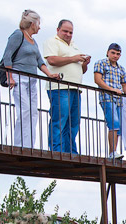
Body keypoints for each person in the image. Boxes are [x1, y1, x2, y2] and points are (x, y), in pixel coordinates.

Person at [1, 10, 61, 149]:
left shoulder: (33, 41)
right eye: (39, 24)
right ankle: (19, 144)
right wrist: (10, 77)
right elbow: (7, 56)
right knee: (24, 111)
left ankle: (29, 145)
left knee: (33, 112)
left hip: (31, 80)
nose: (40, 27)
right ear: (33, 23)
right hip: (19, 77)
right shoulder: (18, 35)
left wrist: (49, 75)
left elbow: (39, 61)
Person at [41, 19, 89, 153]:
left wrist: (84, 63)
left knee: (73, 123)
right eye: (65, 31)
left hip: (75, 88)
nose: (68, 34)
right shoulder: (52, 41)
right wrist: (73, 58)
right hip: (60, 87)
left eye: (71, 32)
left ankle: (70, 151)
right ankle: (57, 150)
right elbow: (51, 60)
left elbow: (81, 70)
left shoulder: (74, 46)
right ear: (58, 30)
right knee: (60, 120)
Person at [93, 43, 126, 159]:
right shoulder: (101, 63)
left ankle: (114, 151)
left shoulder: (121, 69)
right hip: (107, 97)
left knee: (118, 126)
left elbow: (124, 86)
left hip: (119, 99)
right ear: (108, 52)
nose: (115, 56)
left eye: (118, 54)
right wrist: (112, 90)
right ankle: (112, 152)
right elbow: (97, 80)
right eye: (113, 53)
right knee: (113, 123)